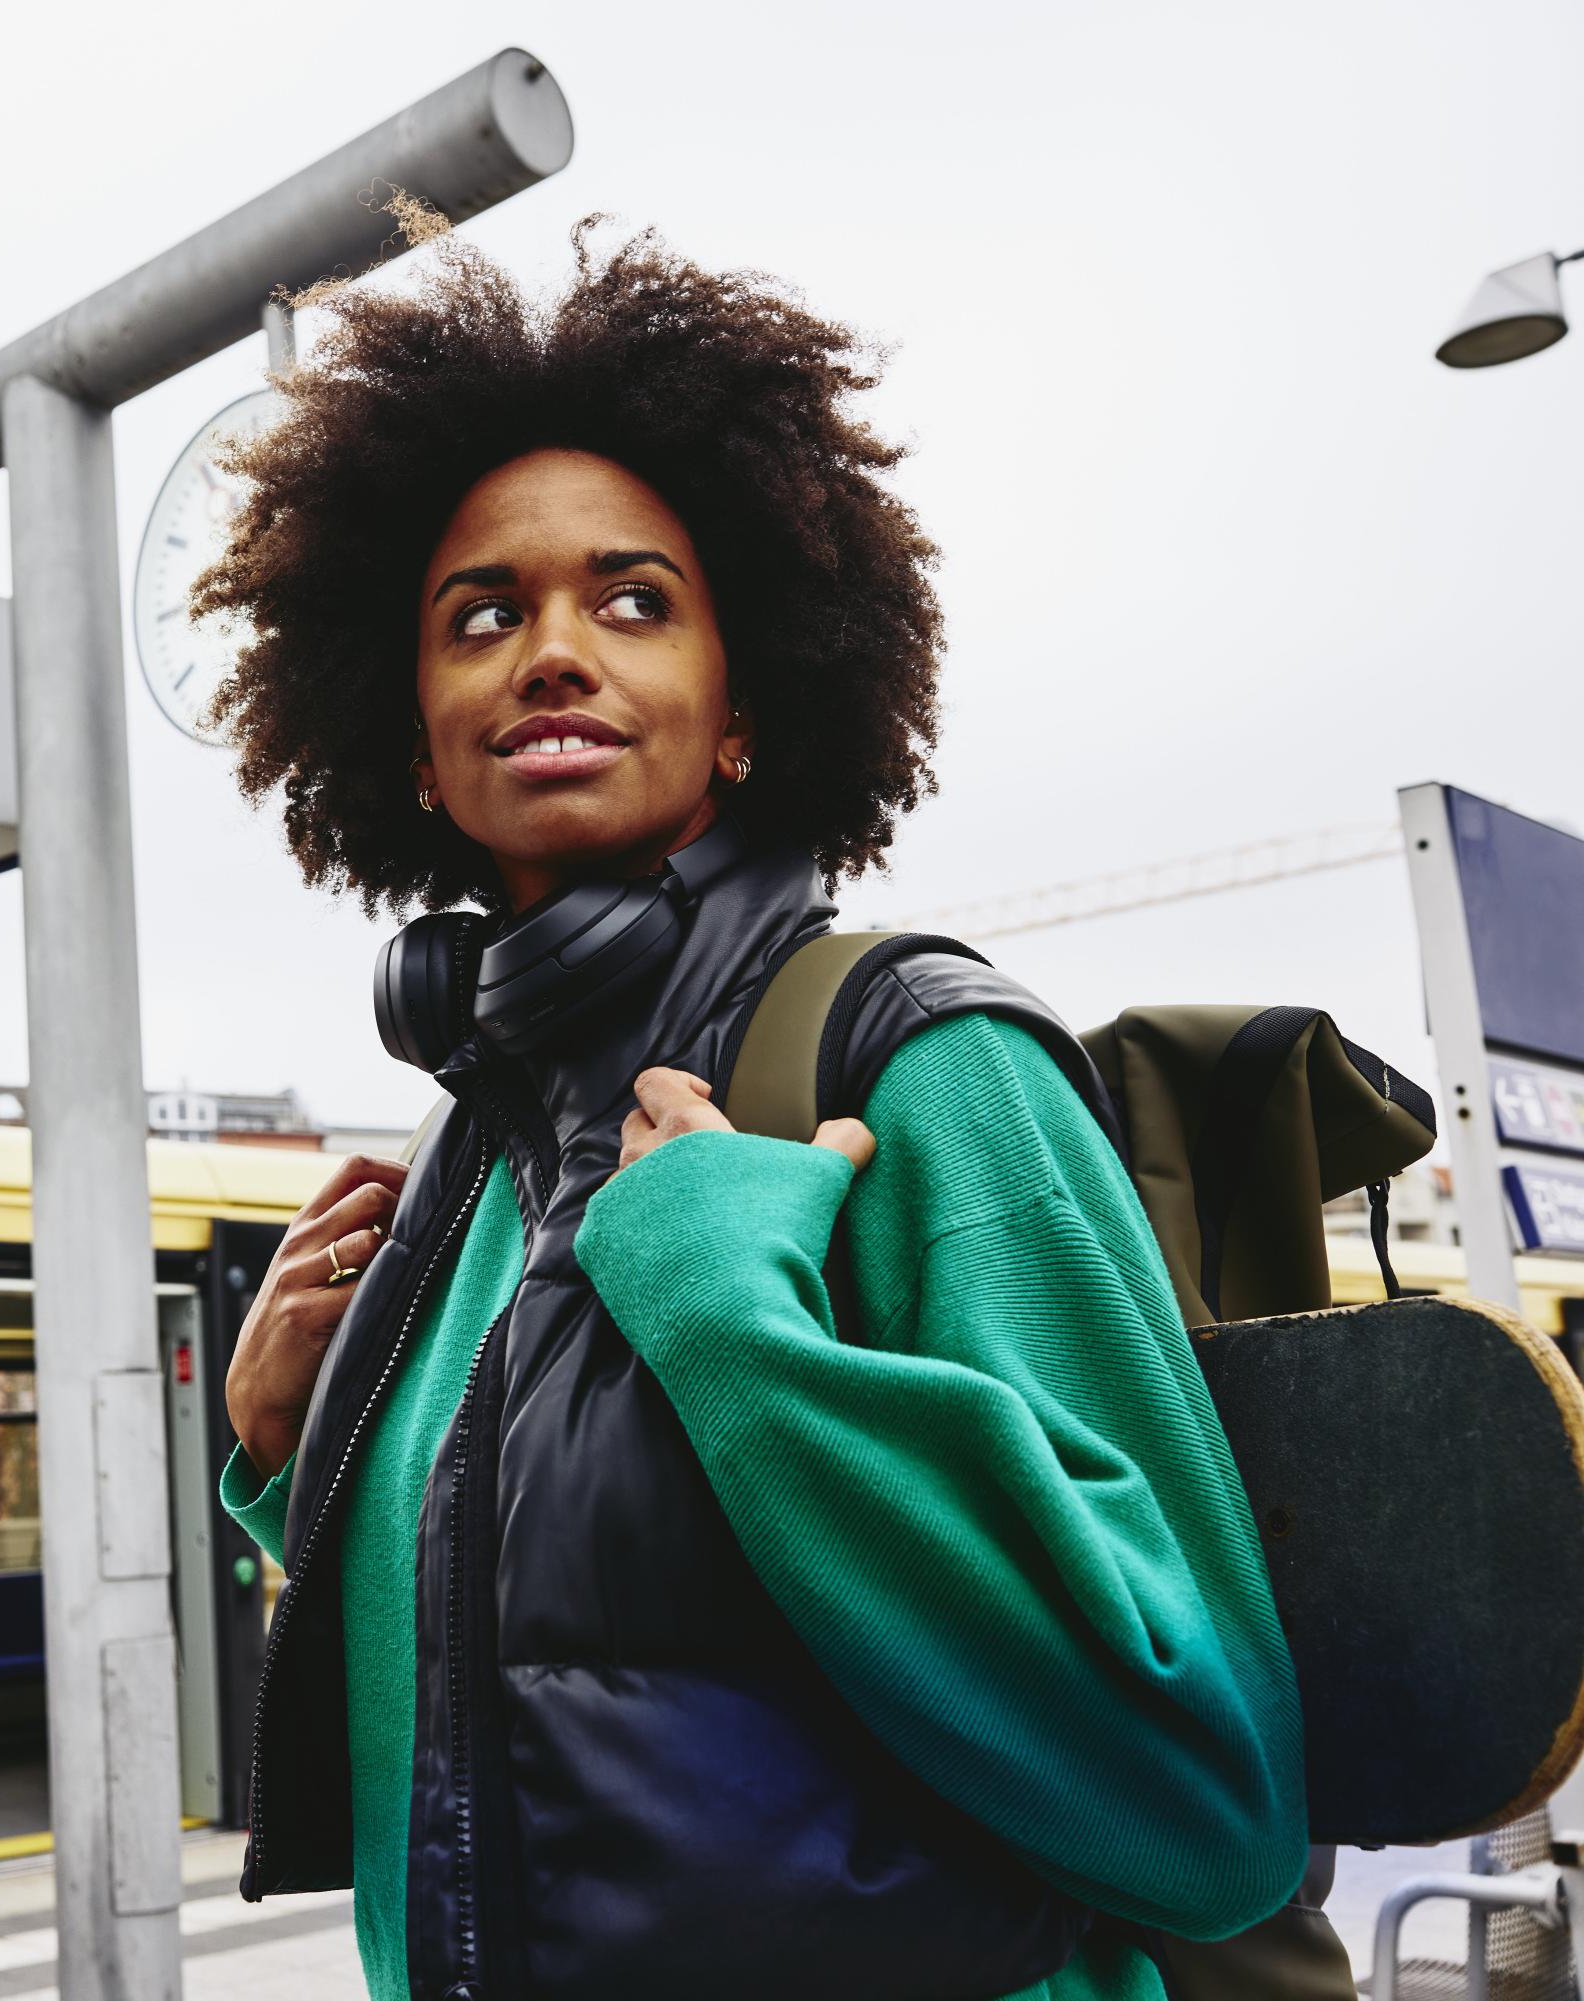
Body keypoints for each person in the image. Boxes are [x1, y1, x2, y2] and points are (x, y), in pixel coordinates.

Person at [203, 222, 1308, 2001]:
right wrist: (293, 1453)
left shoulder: (916, 1063)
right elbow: (538, 1682)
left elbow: (1212, 1802)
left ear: (738, 716)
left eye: (633, 600)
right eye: (482, 615)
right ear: (410, 738)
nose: (552, 650)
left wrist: (745, 1343)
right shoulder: (465, 1158)